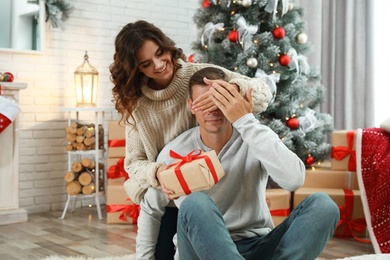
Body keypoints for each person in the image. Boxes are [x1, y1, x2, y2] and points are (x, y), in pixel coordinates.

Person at [137, 67, 340, 259]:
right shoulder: (174, 152)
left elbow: (294, 180)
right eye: (203, 103)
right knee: (195, 203)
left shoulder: (254, 136)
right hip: (200, 251)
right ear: (191, 106)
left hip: (257, 244)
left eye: (219, 101)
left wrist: (245, 120)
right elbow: (150, 209)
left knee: (324, 205)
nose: (212, 110)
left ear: (232, 100)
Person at [110, 20, 272, 259]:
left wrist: (233, 90)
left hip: (217, 191)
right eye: (146, 63)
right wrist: (159, 173)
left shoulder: (200, 77)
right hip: (172, 199)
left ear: (167, 47)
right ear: (136, 69)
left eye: (160, 53)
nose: (158, 64)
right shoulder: (140, 106)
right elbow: (134, 163)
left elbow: (262, 94)